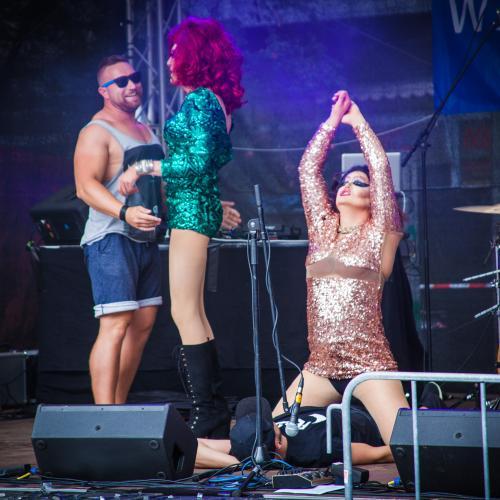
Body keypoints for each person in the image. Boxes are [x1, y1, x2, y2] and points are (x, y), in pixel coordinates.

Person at [74, 54, 241, 406]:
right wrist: (124, 212)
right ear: (103, 91)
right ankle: (103, 417)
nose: (132, 85)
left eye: (134, 77)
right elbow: (85, 187)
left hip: (146, 238)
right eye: (121, 82)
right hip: (111, 237)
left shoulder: (146, 129)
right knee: (116, 324)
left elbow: (166, 183)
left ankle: (118, 409)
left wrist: (208, 205)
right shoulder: (95, 131)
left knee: (142, 325)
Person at [117, 17, 245, 438]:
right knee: (192, 312)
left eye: (175, 52)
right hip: (192, 208)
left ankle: (208, 413)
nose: (169, 60)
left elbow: (199, 162)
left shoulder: (203, 101)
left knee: (185, 311)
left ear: (194, 56)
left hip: (192, 210)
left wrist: (142, 167)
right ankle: (211, 413)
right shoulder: (202, 102)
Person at [272, 91, 410, 446]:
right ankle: (367, 454)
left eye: (359, 182)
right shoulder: (321, 228)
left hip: (369, 365)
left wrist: (357, 121)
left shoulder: (379, 231)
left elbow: (380, 169)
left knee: (408, 447)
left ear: (374, 197)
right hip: (320, 367)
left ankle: (378, 453)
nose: (348, 185)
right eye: (345, 181)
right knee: (272, 441)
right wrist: (332, 121)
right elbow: (307, 170)